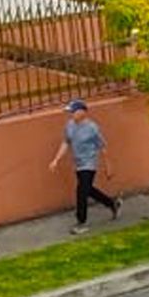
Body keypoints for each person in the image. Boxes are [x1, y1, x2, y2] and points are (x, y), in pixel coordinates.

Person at [49, 99, 121, 234]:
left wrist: (108, 166)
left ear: (82, 112)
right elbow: (65, 143)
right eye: (70, 112)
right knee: (88, 190)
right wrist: (56, 160)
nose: (71, 114)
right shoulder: (69, 126)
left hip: (90, 163)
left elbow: (103, 147)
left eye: (73, 111)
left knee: (81, 191)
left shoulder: (92, 128)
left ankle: (81, 223)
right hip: (78, 164)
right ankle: (112, 204)